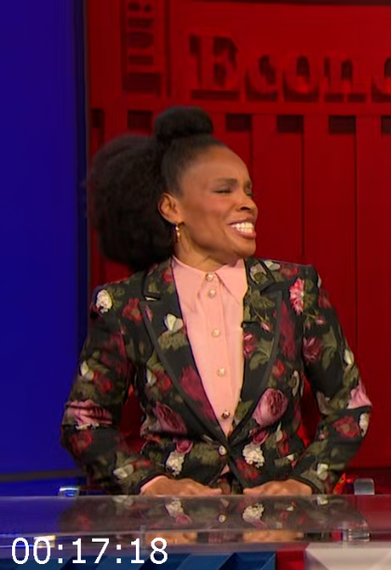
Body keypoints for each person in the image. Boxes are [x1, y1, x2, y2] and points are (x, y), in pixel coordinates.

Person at [61, 106, 370, 496]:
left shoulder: (295, 290)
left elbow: (349, 404)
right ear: (172, 208)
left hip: (280, 523)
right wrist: (152, 485)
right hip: (172, 525)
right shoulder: (126, 305)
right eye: (225, 190)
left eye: (248, 191)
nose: (248, 203)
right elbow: (84, 421)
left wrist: (303, 483)